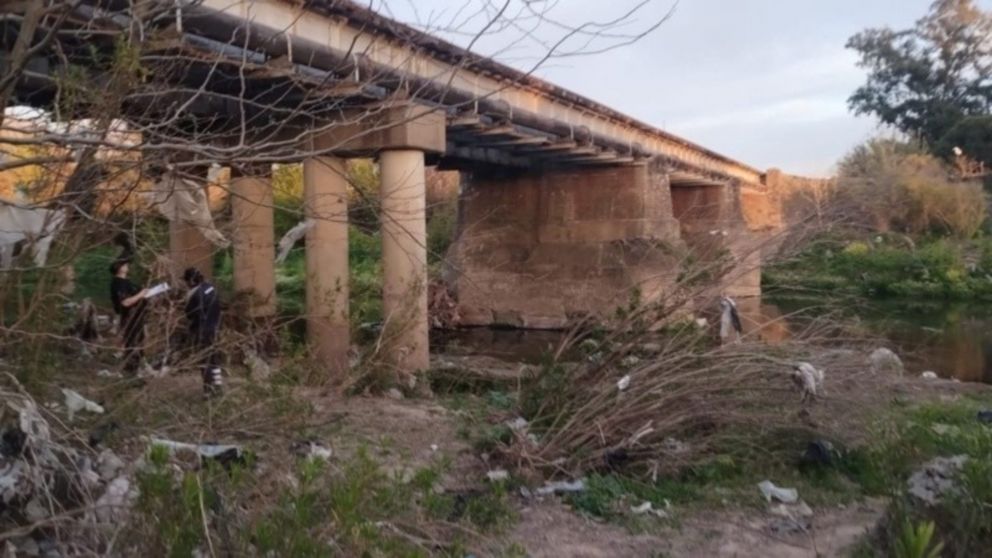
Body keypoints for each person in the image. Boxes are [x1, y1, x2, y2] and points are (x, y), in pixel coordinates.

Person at [183, 267, 222, 396]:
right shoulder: (211, 287)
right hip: (215, 328)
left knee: (205, 360)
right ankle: (218, 385)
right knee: (214, 359)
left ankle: (208, 390)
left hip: (202, 331)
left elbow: (189, 314)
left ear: (190, 281)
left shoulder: (193, 294)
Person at [109, 259, 148, 375]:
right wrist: (141, 294)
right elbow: (125, 302)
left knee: (140, 341)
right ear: (119, 268)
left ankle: (138, 368)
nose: (127, 266)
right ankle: (132, 370)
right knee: (132, 342)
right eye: (124, 264)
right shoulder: (118, 283)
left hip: (138, 315)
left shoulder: (127, 281)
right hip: (130, 317)